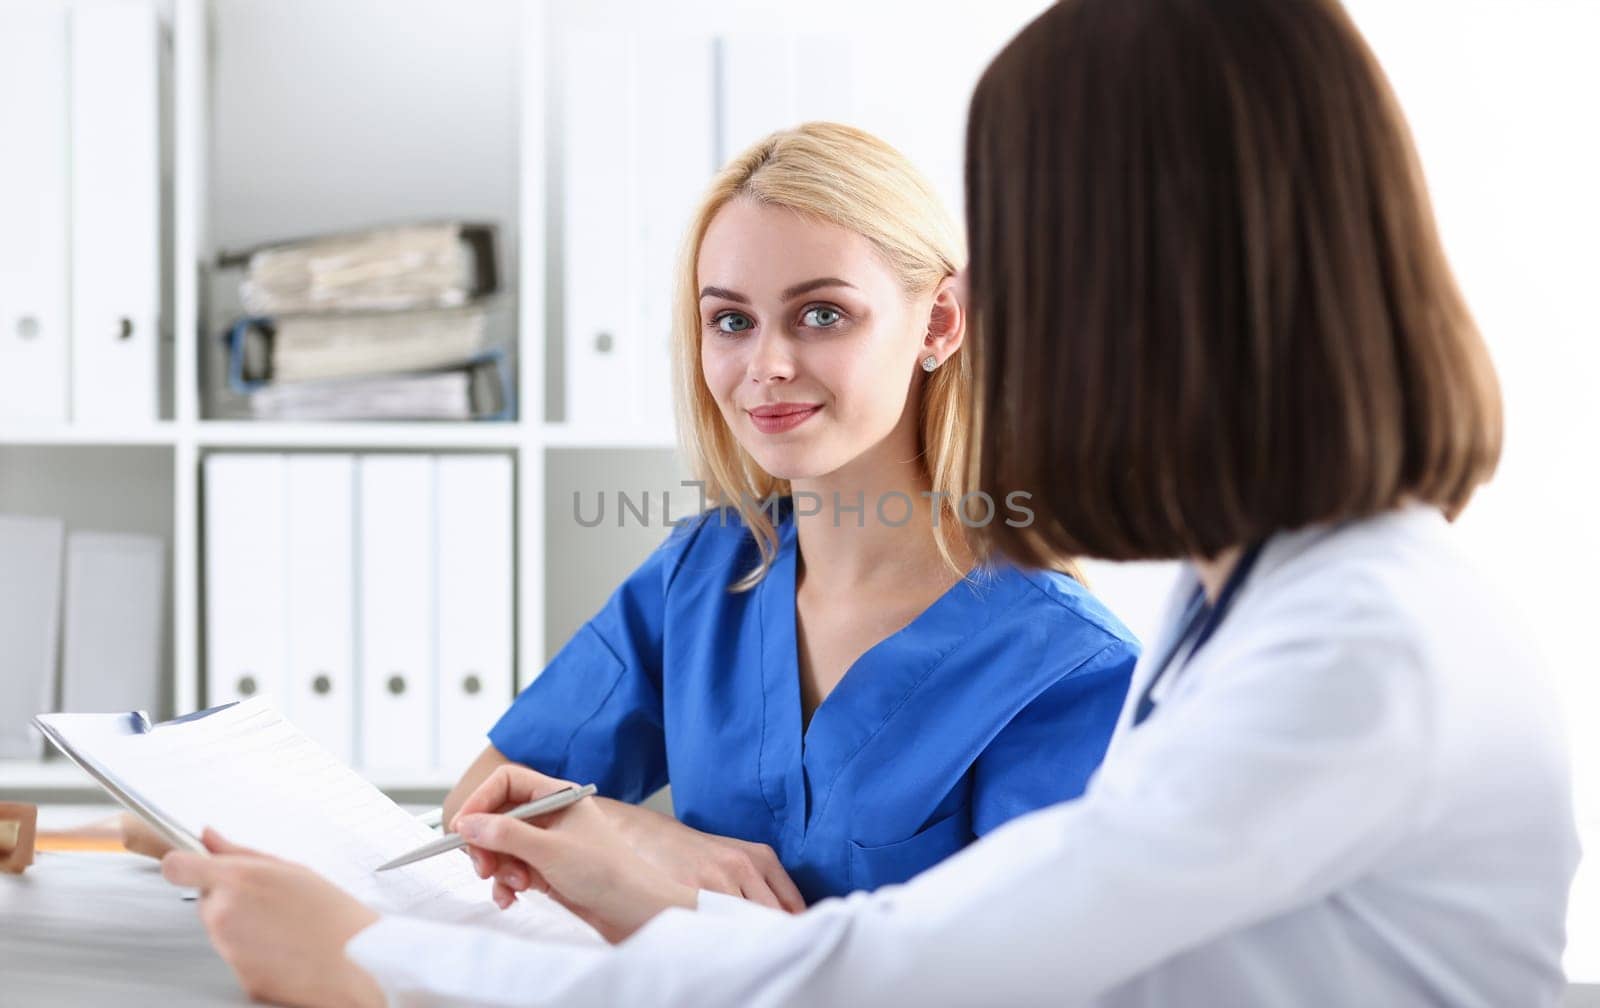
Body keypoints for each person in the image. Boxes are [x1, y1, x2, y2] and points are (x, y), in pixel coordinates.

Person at [163, 0, 1581, 1004]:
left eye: (1032, 262)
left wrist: (376, 963)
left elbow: (908, 975)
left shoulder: (1343, 656)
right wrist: (606, 877)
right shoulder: (1266, 614)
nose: (768, 367)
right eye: (729, 319)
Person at [158, 121, 1138, 910]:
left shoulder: (1062, 670)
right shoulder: (707, 576)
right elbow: (481, 815)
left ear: (938, 323)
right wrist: (637, 834)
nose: (766, 367)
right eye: (730, 319)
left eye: (822, 314)